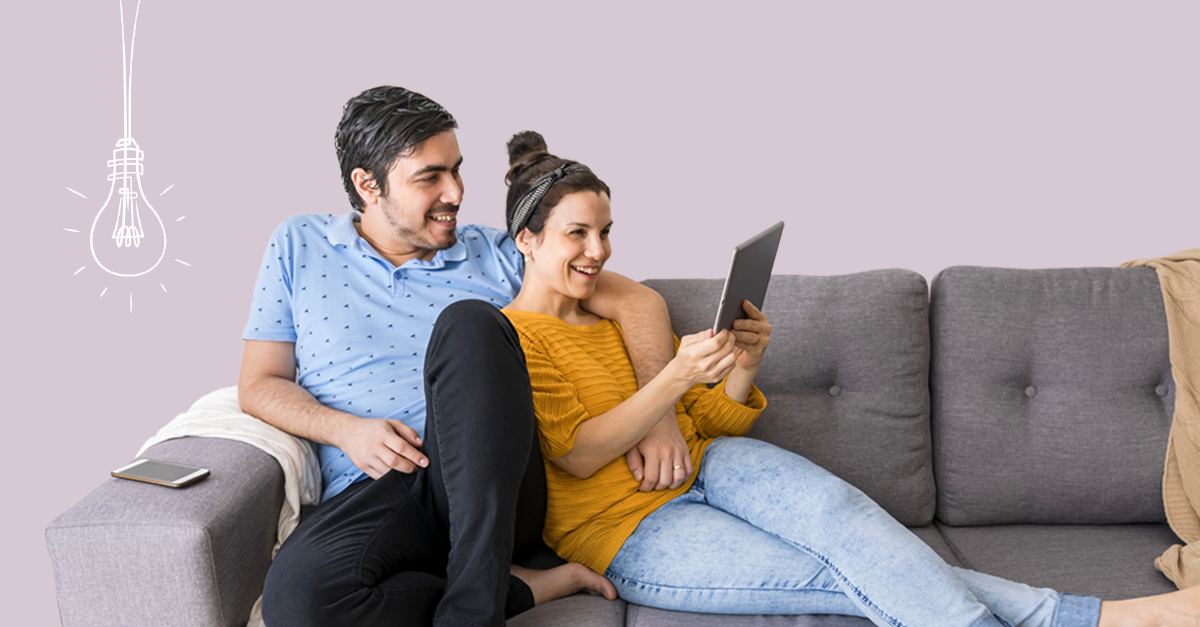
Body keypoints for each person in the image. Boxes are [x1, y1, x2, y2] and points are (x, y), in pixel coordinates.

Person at [498, 130, 1200, 627]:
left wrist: (743, 365)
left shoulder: (618, 312)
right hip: (625, 527)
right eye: (578, 234)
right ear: (528, 240)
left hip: (715, 464)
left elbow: (706, 424)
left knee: (860, 530)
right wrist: (675, 375)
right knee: (838, 574)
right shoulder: (514, 337)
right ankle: (1097, 618)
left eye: (606, 230)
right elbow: (580, 452)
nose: (599, 250)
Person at [238, 87, 692, 627]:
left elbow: (639, 301)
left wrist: (661, 417)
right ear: (368, 185)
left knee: (470, 323)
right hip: (378, 488)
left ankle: (472, 614)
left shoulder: (502, 251)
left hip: (496, 483)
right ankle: (512, 587)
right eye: (431, 177)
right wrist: (345, 431)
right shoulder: (298, 244)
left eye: (457, 170)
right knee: (297, 601)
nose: (455, 191)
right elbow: (259, 384)